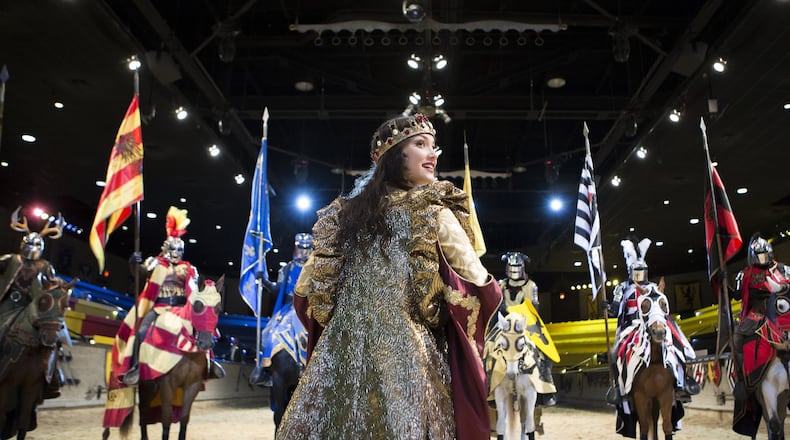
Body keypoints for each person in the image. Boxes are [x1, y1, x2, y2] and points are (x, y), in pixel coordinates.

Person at [276, 113, 502, 440]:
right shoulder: (432, 211)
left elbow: (306, 289)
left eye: (434, 146)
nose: (433, 154)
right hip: (407, 359)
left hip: (339, 357)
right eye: (421, 144)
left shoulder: (343, 217)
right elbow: (478, 279)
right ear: (394, 154)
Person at [113, 206, 225, 387]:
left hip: (181, 308)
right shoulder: (155, 262)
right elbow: (139, 273)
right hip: (159, 307)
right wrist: (133, 263)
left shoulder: (189, 268)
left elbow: (197, 289)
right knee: (141, 332)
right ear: (166, 248)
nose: (176, 253)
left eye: (179, 250)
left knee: (204, 328)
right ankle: (135, 367)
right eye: (173, 249)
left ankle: (210, 363)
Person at [607, 237, 697, 436]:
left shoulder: (654, 288)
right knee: (615, 353)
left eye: (642, 272)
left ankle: (683, 381)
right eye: (636, 272)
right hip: (631, 326)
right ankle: (618, 388)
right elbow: (616, 309)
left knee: (679, 344)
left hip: (653, 322)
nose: (639, 276)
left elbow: (662, 307)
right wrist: (611, 306)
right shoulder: (622, 288)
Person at [0, 207, 64, 399]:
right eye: (30, 243)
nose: (33, 247)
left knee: (53, 339)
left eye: (37, 244)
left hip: (34, 308)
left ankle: (52, 378)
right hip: (8, 305)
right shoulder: (11, 259)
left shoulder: (45, 266)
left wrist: (58, 285)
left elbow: (52, 287)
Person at [732, 234, 790, 435]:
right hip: (757, 315)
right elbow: (738, 295)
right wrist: (724, 283)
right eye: (760, 256)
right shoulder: (746, 274)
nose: (764, 259)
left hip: (781, 313)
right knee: (738, 337)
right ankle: (743, 381)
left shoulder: (783, 269)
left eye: (766, 256)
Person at [494, 252, 557, 409]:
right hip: (505, 324)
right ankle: (489, 389)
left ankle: (546, 390)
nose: (514, 272)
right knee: (488, 349)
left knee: (544, 353)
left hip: (525, 324)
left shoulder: (531, 286)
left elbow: (533, 307)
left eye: (517, 268)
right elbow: (497, 304)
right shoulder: (501, 285)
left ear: (522, 269)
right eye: (511, 268)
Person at [251, 232, 313, 387]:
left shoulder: (315, 270)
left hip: (308, 308)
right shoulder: (287, 268)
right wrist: (264, 281)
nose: (303, 252)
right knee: (268, 333)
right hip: (288, 308)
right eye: (300, 248)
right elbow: (277, 289)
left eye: (306, 248)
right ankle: (264, 370)